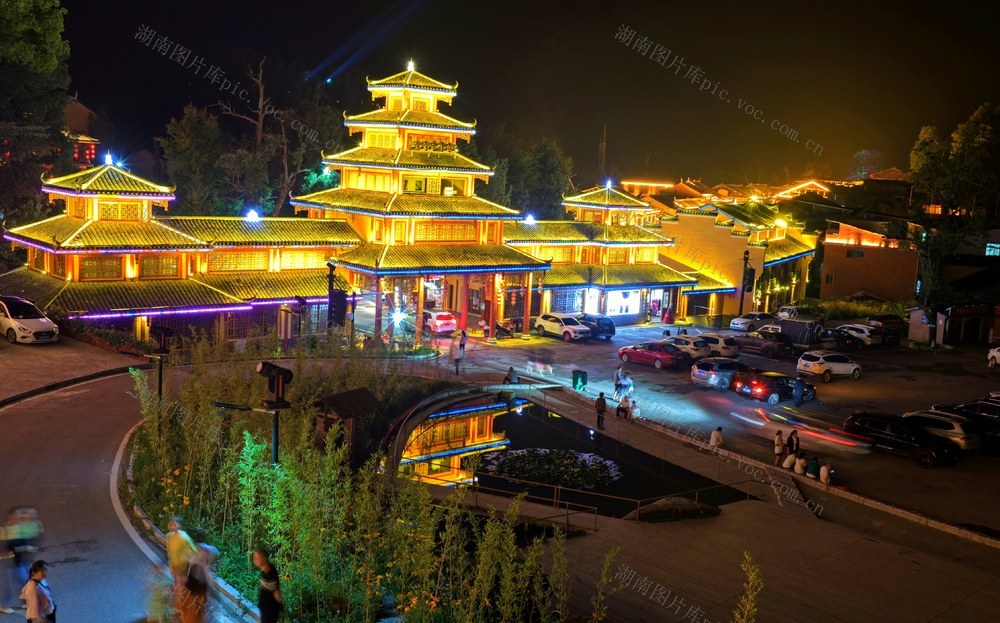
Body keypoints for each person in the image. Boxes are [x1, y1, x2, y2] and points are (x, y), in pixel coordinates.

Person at [166, 516, 198, 623]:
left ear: (179, 525)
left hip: (182, 567)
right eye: (170, 524)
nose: (172, 526)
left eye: (174, 524)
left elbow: (193, 551)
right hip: (174, 566)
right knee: (177, 588)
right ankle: (182, 608)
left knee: (180, 589)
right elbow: (170, 553)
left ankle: (180, 609)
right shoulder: (169, 536)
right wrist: (170, 566)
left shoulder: (184, 537)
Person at [253, 550, 283, 623]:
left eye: (256, 558)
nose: (254, 560)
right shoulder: (265, 570)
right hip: (265, 606)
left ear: (263, 559)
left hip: (270, 609)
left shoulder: (271, 573)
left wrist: (281, 605)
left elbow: (276, 592)